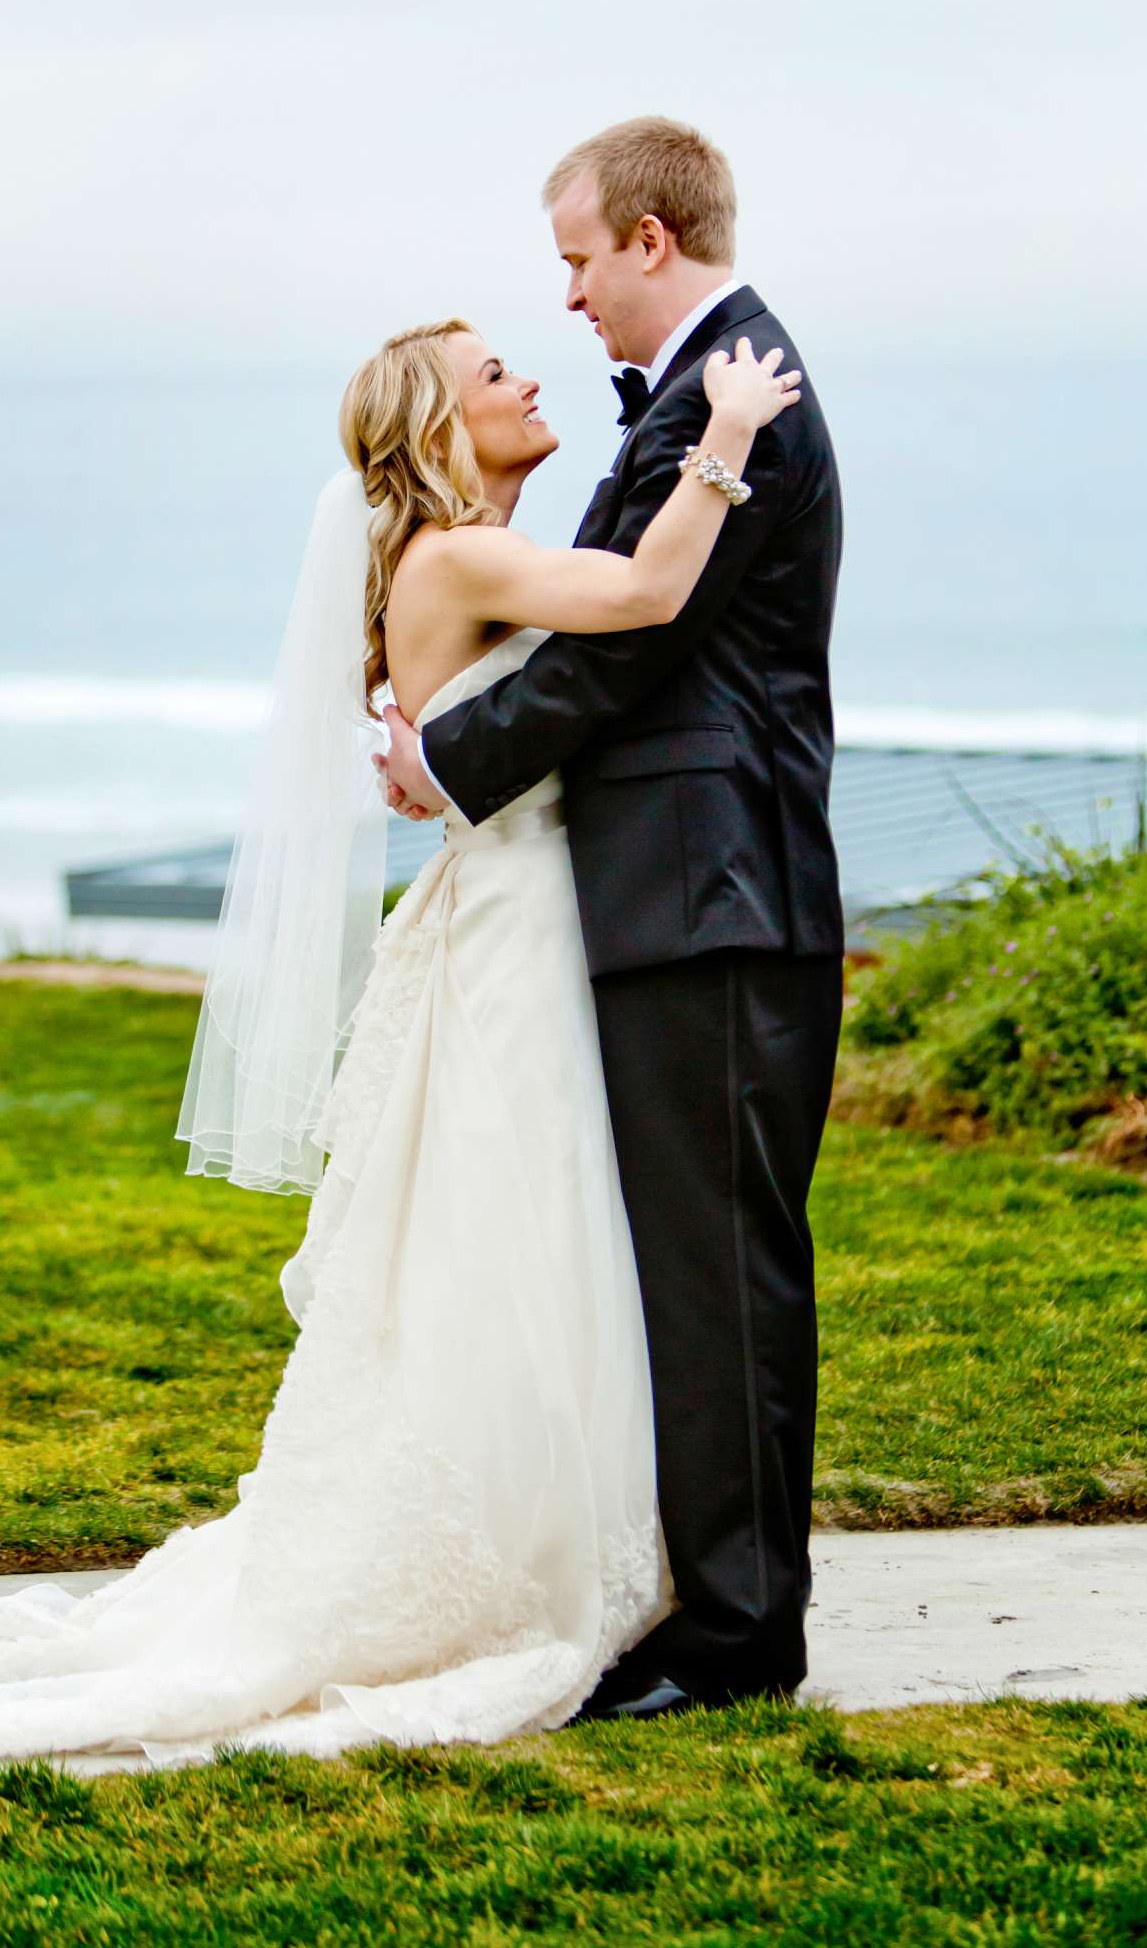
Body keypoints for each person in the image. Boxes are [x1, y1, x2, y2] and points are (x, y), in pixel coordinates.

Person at [0, 305, 799, 1768]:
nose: (528, 376)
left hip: (514, 916)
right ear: (439, 428)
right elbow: (652, 598)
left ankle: (559, 1526)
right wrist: (724, 438)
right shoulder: (456, 556)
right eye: (493, 375)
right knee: (517, 1243)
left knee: (506, 1247)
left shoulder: (445, 558)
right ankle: (520, 1552)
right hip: (516, 934)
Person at [380, 116, 844, 1717]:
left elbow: (622, 650)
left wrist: (444, 758)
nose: (570, 298)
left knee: (719, 1278)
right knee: (698, 1276)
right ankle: (717, 1606)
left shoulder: (742, 398)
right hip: (687, 891)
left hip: (711, 894)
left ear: (652, 241)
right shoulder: (706, 396)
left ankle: (736, 1643)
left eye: (577, 258)